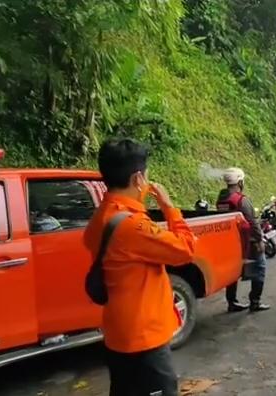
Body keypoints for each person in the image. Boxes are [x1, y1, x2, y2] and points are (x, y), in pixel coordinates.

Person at [84, 138, 195, 396]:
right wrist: (169, 207)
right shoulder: (133, 226)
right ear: (137, 179)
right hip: (144, 340)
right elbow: (185, 250)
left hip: (118, 334)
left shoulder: (102, 216)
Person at [216, 167, 270, 312]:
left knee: (233, 272)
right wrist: (259, 241)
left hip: (230, 241)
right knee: (260, 268)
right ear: (240, 182)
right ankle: (255, 301)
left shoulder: (221, 199)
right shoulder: (242, 200)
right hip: (248, 241)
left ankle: (232, 302)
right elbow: (253, 222)